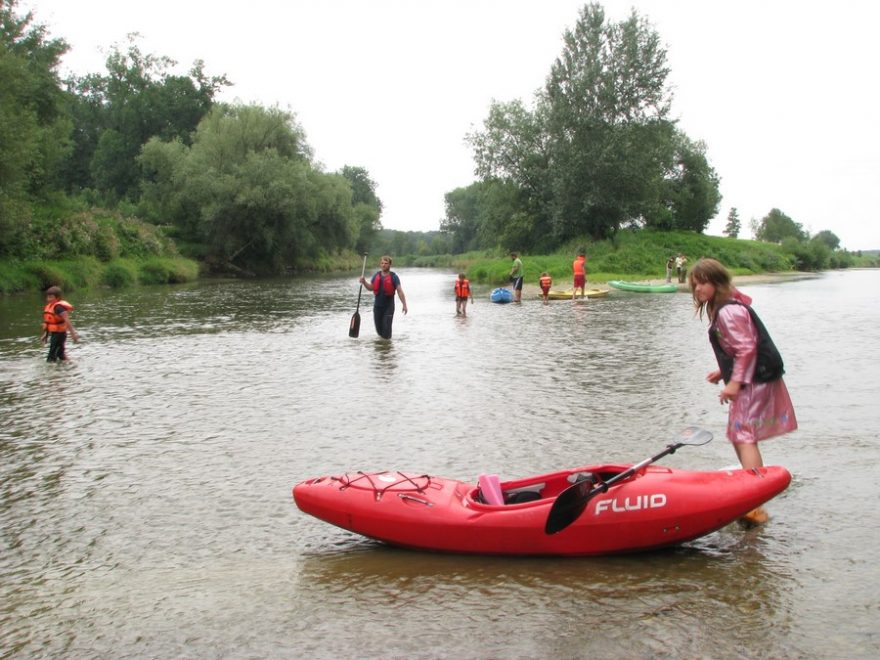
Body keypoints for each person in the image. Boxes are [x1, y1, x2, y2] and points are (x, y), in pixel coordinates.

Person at [689, 258, 797, 524]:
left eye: (702, 283)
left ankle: (755, 502)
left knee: (744, 434)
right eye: (694, 285)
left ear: (716, 282)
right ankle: (752, 487)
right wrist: (722, 371)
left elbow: (747, 348)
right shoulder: (726, 307)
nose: (697, 290)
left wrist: (734, 383)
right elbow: (738, 347)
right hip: (751, 376)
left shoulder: (728, 311)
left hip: (753, 380)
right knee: (738, 433)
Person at [360, 256, 408, 339]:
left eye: (386, 263)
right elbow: (371, 287)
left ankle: (387, 349)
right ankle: (382, 348)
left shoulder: (394, 277)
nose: (383, 265)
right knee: (379, 331)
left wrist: (404, 305)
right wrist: (364, 282)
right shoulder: (376, 275)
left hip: (388, 308)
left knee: (386, 331)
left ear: (390, 265)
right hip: (377, 307)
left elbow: (399, 291)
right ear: (380, 264)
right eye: (382, 263)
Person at [40, 285, 79, 362]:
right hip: (55, 333)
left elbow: (67, 320)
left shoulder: (58, 308)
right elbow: (49, 322)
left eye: (51, 297)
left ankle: (52, 371)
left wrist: (73, 334)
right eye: (47, 297)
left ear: (57, 298)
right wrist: (45, 335)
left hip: (60, 334)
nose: (48, 299)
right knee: (60, 355)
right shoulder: (49, 307)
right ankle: (68, 366)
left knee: (52, 355)